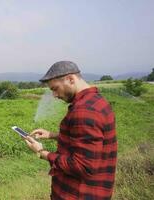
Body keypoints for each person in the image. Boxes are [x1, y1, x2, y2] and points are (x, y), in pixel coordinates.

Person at [24, 61, 117, 200]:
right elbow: (84, 140)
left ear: (71, 79)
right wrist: (52, 135)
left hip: (78, 194)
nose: (55, 95)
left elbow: (82, 166)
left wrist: (41, 152)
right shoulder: (95, 101)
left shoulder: (84, 111)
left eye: (55, 88)